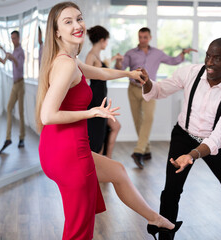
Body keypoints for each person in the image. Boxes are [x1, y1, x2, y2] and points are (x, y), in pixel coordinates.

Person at [36, 2, 181, 239]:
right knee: (79, 230)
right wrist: (91, 113)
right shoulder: (64, 64)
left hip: (62, 147)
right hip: (67, 153)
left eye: (79, 19)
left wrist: (129, 73)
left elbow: (100, 72)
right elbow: (47, 115)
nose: (77, 25)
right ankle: (155, 220)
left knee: (118, 171)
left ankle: (155, 220)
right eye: (68, 21)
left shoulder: (70, 60)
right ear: (56, 32)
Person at [141, 38, 221, 240]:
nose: (209, 62)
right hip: (183, 135)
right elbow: (159, 90)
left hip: (212, 142)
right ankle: (165, 237)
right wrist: (147, 83)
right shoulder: (190, 72)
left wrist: (192, 155)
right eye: (208, 55)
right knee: (171, 190)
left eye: (217, 58)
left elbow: (218, 136)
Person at [115, 27, 197, 169]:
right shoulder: (130, 53)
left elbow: (173, 61)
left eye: (145, 37)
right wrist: (118, 61)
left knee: (148, 118)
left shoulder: (157, 53)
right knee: (138, 120)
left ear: (150, 38)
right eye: (140, 37)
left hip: (149, 88)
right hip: (133, 89)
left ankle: (138, 152)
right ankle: (146, 150)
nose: (142, 40)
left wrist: (183, 53)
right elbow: (121, 68)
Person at [85, 25, 122, 158]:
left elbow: (102, 70)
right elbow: (87, 76)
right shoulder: (91, 56)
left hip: (101, 99)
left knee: (115, 127)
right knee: (97, 138)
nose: (107, 43)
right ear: (102, 40)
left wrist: (113, 60)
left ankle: (108, 161)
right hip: (95, 100)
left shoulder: (97, 56)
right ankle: (102, 166)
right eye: (106, 40)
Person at [0, 30, 26, 153]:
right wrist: (5, 52)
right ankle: (8, 138)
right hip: (14, 85)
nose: (13, 40)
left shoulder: (21, 52)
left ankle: (22, 138)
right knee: (9, 108)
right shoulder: (14, 51)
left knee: (20, 112)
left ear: (19, 38)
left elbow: (19, 66)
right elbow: (8, 60)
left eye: (14, 38)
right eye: (12, 38)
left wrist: (12, 56)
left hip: (21, 84)